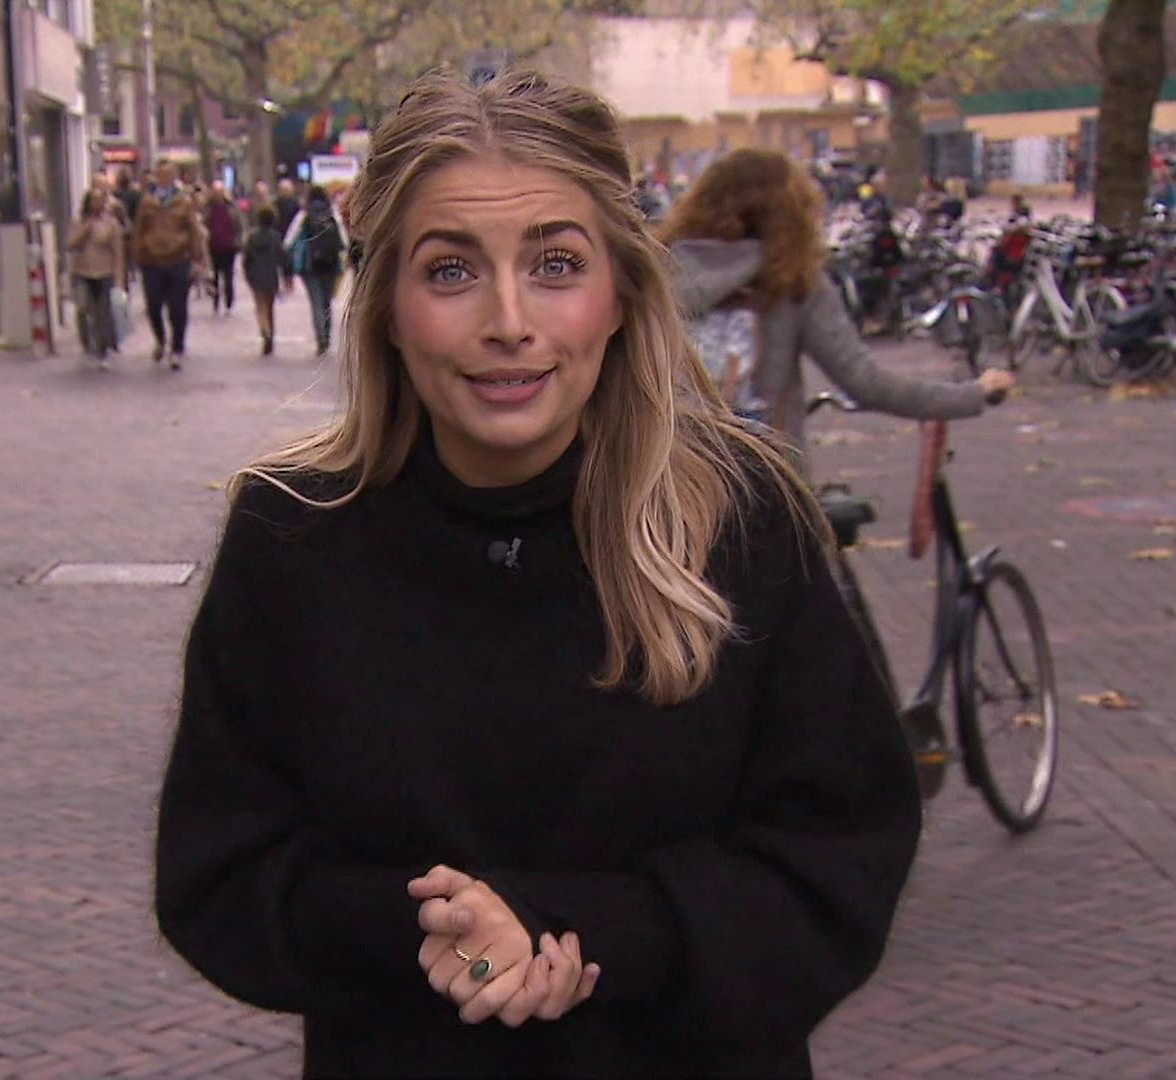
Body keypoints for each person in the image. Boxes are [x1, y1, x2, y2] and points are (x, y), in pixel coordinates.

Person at [153, 67, 920, 1079]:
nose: (509, 319)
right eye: (451, 271)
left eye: (556, 264)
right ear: (386, 306)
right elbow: (219, 875)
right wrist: (430, 933)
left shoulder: (741, 520)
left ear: (621, 293)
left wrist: (587, 934)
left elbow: (838, 860)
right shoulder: (292, 535)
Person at [664, 148, 1013, 472]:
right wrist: (973, 393)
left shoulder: (659, 273)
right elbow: (866, 382)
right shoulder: (788, 280)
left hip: (672, 479)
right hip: (765, 480)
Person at [130, 159, 209, 370]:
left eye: (168, 174)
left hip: (178, 259)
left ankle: (177, 348)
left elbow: (194, 230)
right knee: (153, 304)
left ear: (174, 176)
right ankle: (160, 339)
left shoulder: (183, 201)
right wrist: (137, 256)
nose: (164, 178)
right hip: (151, 260)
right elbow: (138, 229)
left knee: (178, 306)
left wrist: (197, 259)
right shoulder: (146, 201)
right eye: (161, 174)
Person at [282, 186, 348, 356]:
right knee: (327, 302)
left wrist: (290, 256)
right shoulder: (332, 214)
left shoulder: (304, 215)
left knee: (316, 301)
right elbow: (344, 240)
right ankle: (327, 335)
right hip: (331, 263)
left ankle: (321, 340)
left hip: (309, 264)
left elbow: (289, 240)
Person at [69, 189, 127, 368]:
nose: (96, 204)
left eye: (100, 200)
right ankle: (87, 344)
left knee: (103, 311)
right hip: (82, 272)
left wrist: (119, 278)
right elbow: (70, 244)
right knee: (84, 309)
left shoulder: (111, 223)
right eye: (93, 200)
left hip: (104, 272)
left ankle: (102, 349)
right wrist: (85, 230)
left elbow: (117, 251)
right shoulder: (79, 222)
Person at [241, 204, 281, 356]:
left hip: (256, 275)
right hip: (271, 274)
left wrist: (247, 273)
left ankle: (265, 330)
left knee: (260, 306)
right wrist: (286, 274)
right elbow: (281, 256)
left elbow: (246, 257)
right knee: (270, 308)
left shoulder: (252, 236)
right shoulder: (275, 237)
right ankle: (270, 337)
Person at [203, 181, 240, 316]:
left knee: (228, 276)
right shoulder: (208, 208)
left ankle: (229, 302)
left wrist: (238, 242)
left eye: (220, 192)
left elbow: (238, 226)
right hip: (212, 247)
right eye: (215, 192)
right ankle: (216, 301)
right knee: (215, 277)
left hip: (228, 247)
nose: (217, 195)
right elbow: (202, 224)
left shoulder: (231, 207)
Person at [274, 178, 304, 288]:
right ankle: (287, 280)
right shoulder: (277, 203)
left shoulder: (294, 204)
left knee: (288, 258)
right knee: (284, 258)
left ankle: (289, 280)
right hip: (282, 233)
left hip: (289, 232)